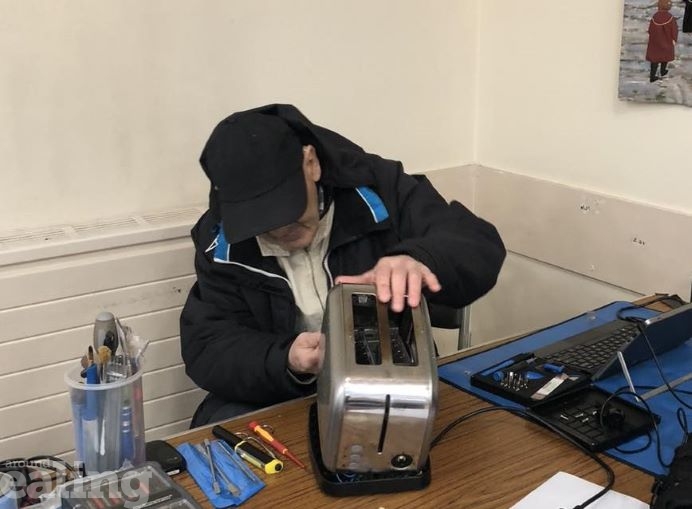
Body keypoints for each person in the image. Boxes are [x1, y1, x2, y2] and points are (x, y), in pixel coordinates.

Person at [180, 104, 506, 427]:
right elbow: (208, 346)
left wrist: (419, 258)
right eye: (262, 223)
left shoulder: (380, 188)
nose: (280, 231)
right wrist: (287, 358)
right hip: (280, 391)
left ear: (311, 164)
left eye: (286, 210)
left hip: (390, 379)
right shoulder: (222, 239)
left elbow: (478, 243)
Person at [646, 0, 678, 83]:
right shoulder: (670, 17)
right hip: (666, 40)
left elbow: (650, 30)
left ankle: (652, 76)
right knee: (665, 55)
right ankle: (663, 71)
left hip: (655, 41)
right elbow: (674, 29)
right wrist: (674, 38)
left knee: (654, 58)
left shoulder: (654, 17)